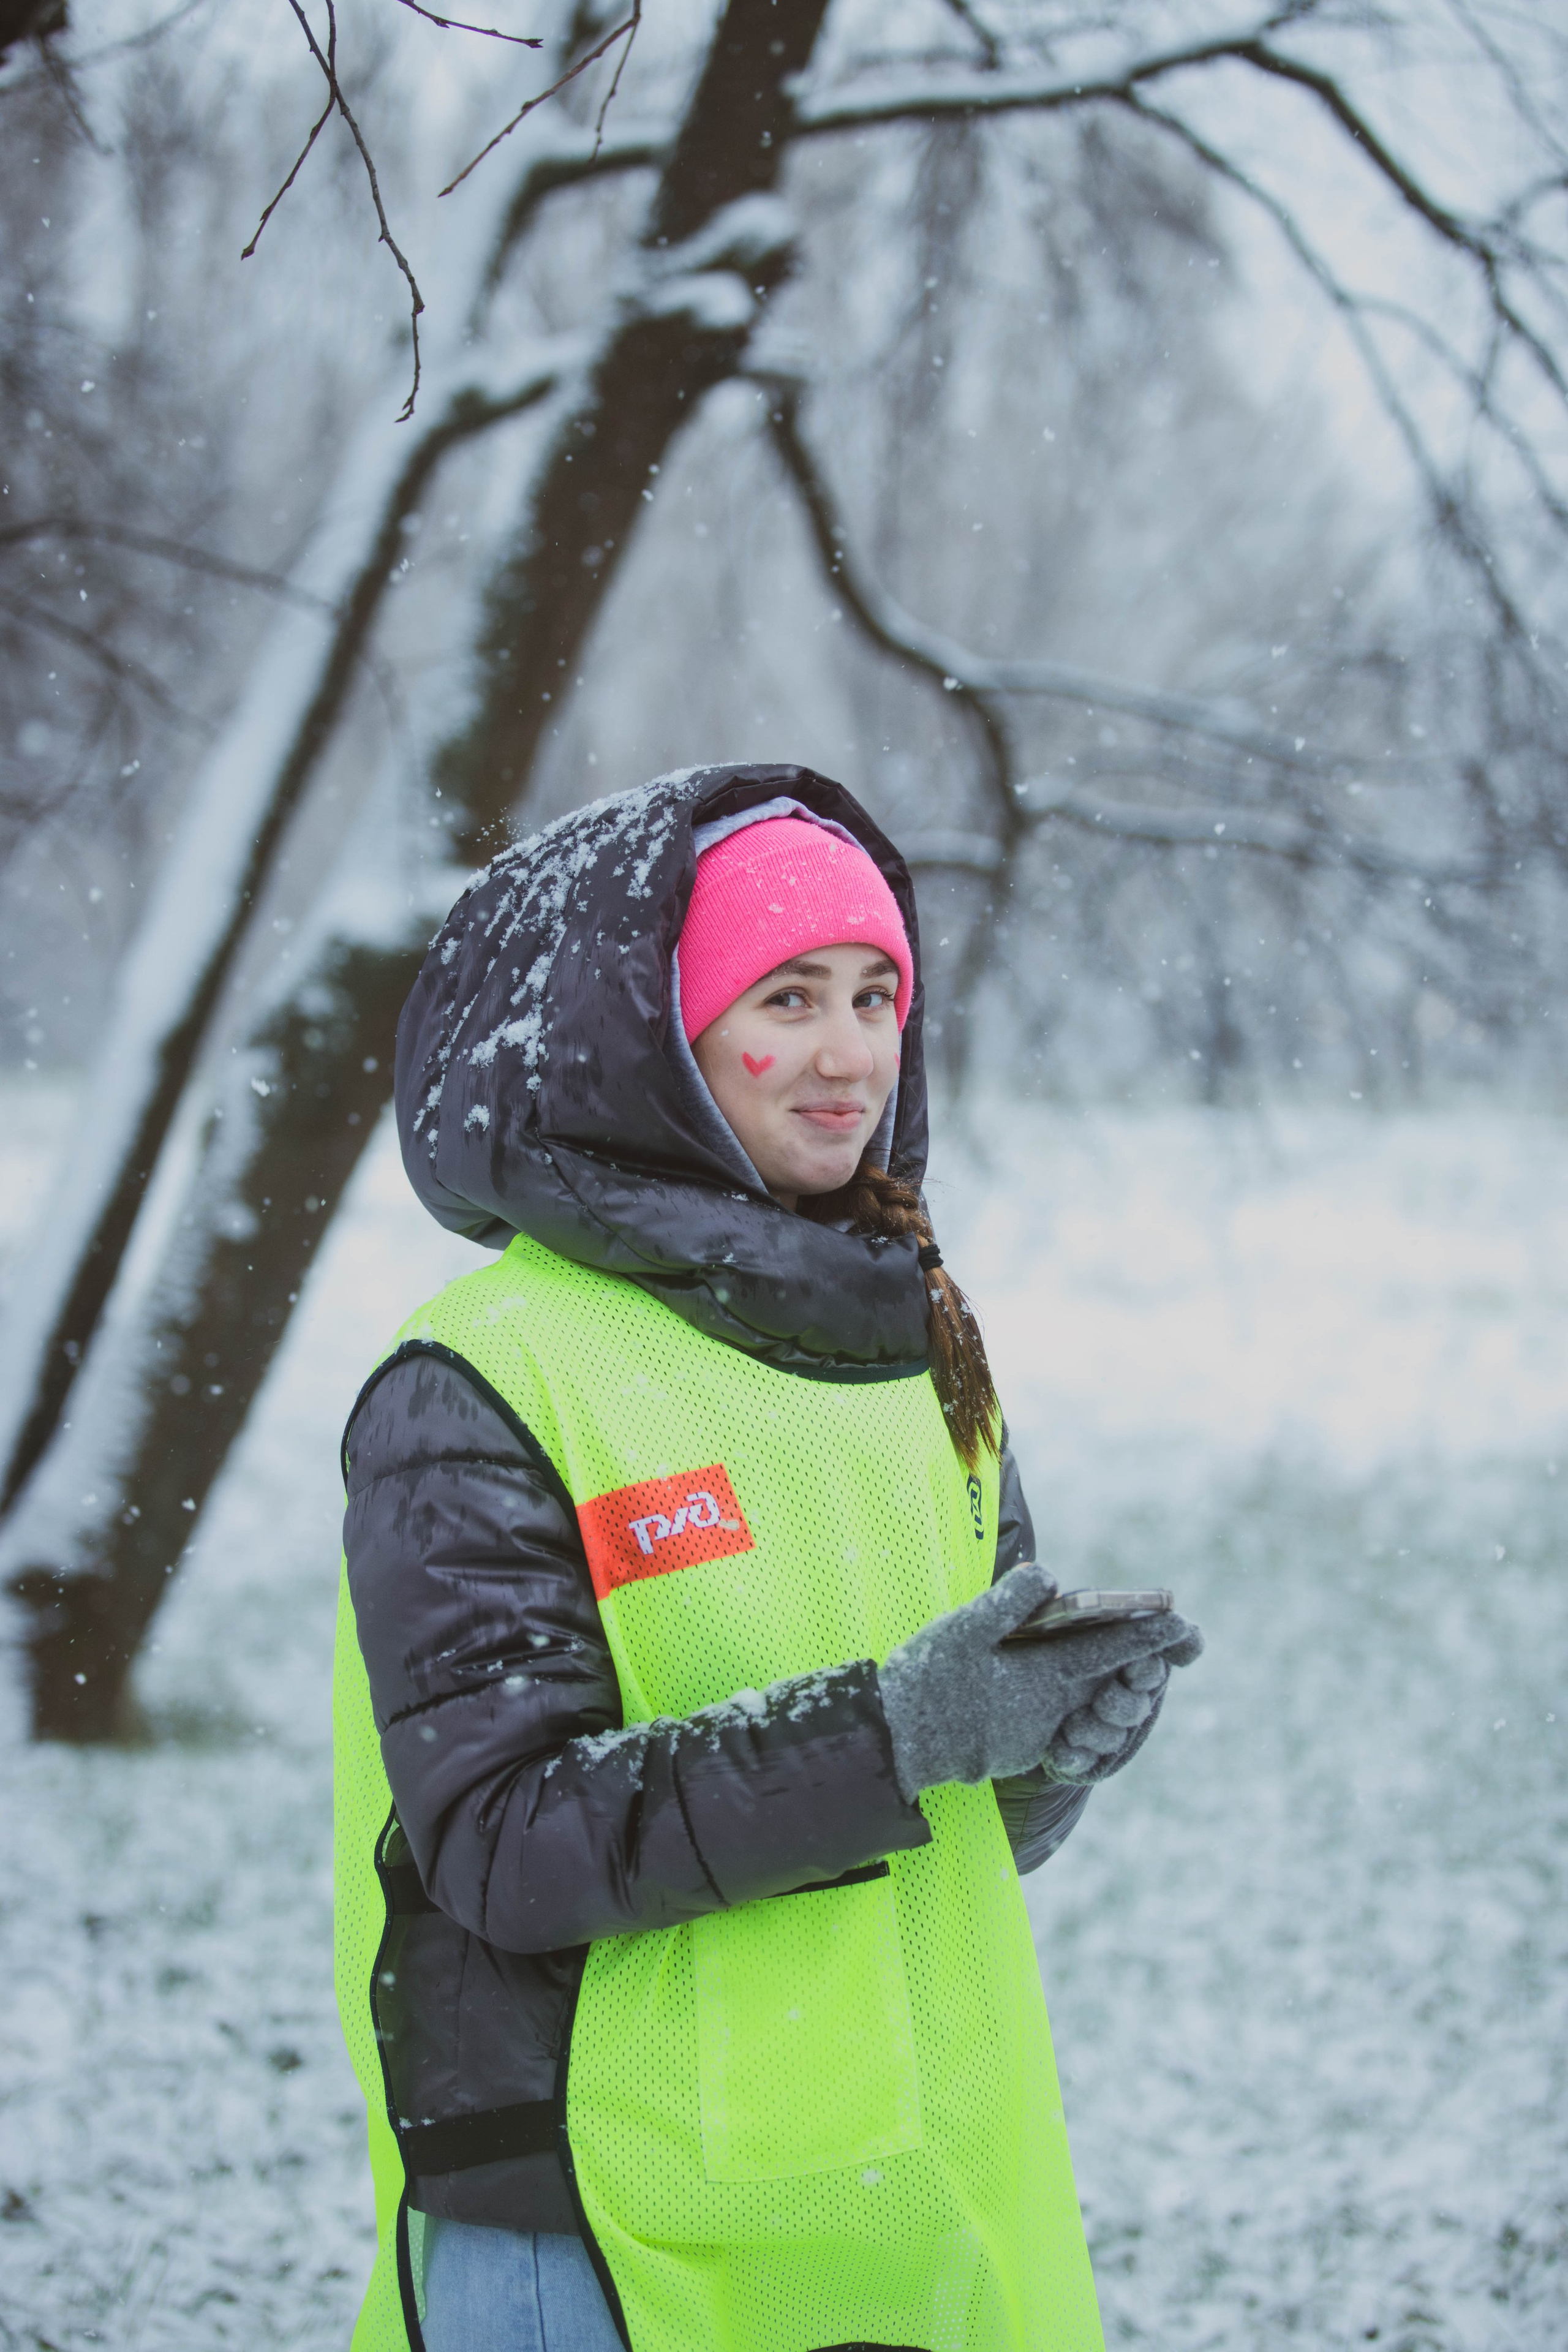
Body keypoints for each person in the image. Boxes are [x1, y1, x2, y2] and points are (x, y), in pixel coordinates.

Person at [333, 763, 1202, 2352]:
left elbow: (943, 1809)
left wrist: (1041, 1754)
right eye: (785, 995)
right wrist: (906, 1727)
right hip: (599, 2210)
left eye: (876, 995)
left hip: (904, 2180)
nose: (846, 1052)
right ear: (649, 1035)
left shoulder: (922, 1335)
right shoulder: (483, 1377)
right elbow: (506, 1843)